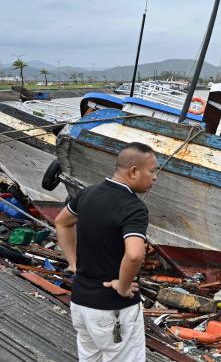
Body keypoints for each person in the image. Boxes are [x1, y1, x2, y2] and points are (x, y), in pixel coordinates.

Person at [55, 142, 158, 361]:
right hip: (113, 309)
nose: (155, 177)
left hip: (81, 302)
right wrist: (122, 286)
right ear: (133, 171)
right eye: (152, 171)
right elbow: (134, 254)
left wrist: (73, 263)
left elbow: (61, 222)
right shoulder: (134, 208)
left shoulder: (88, 193)